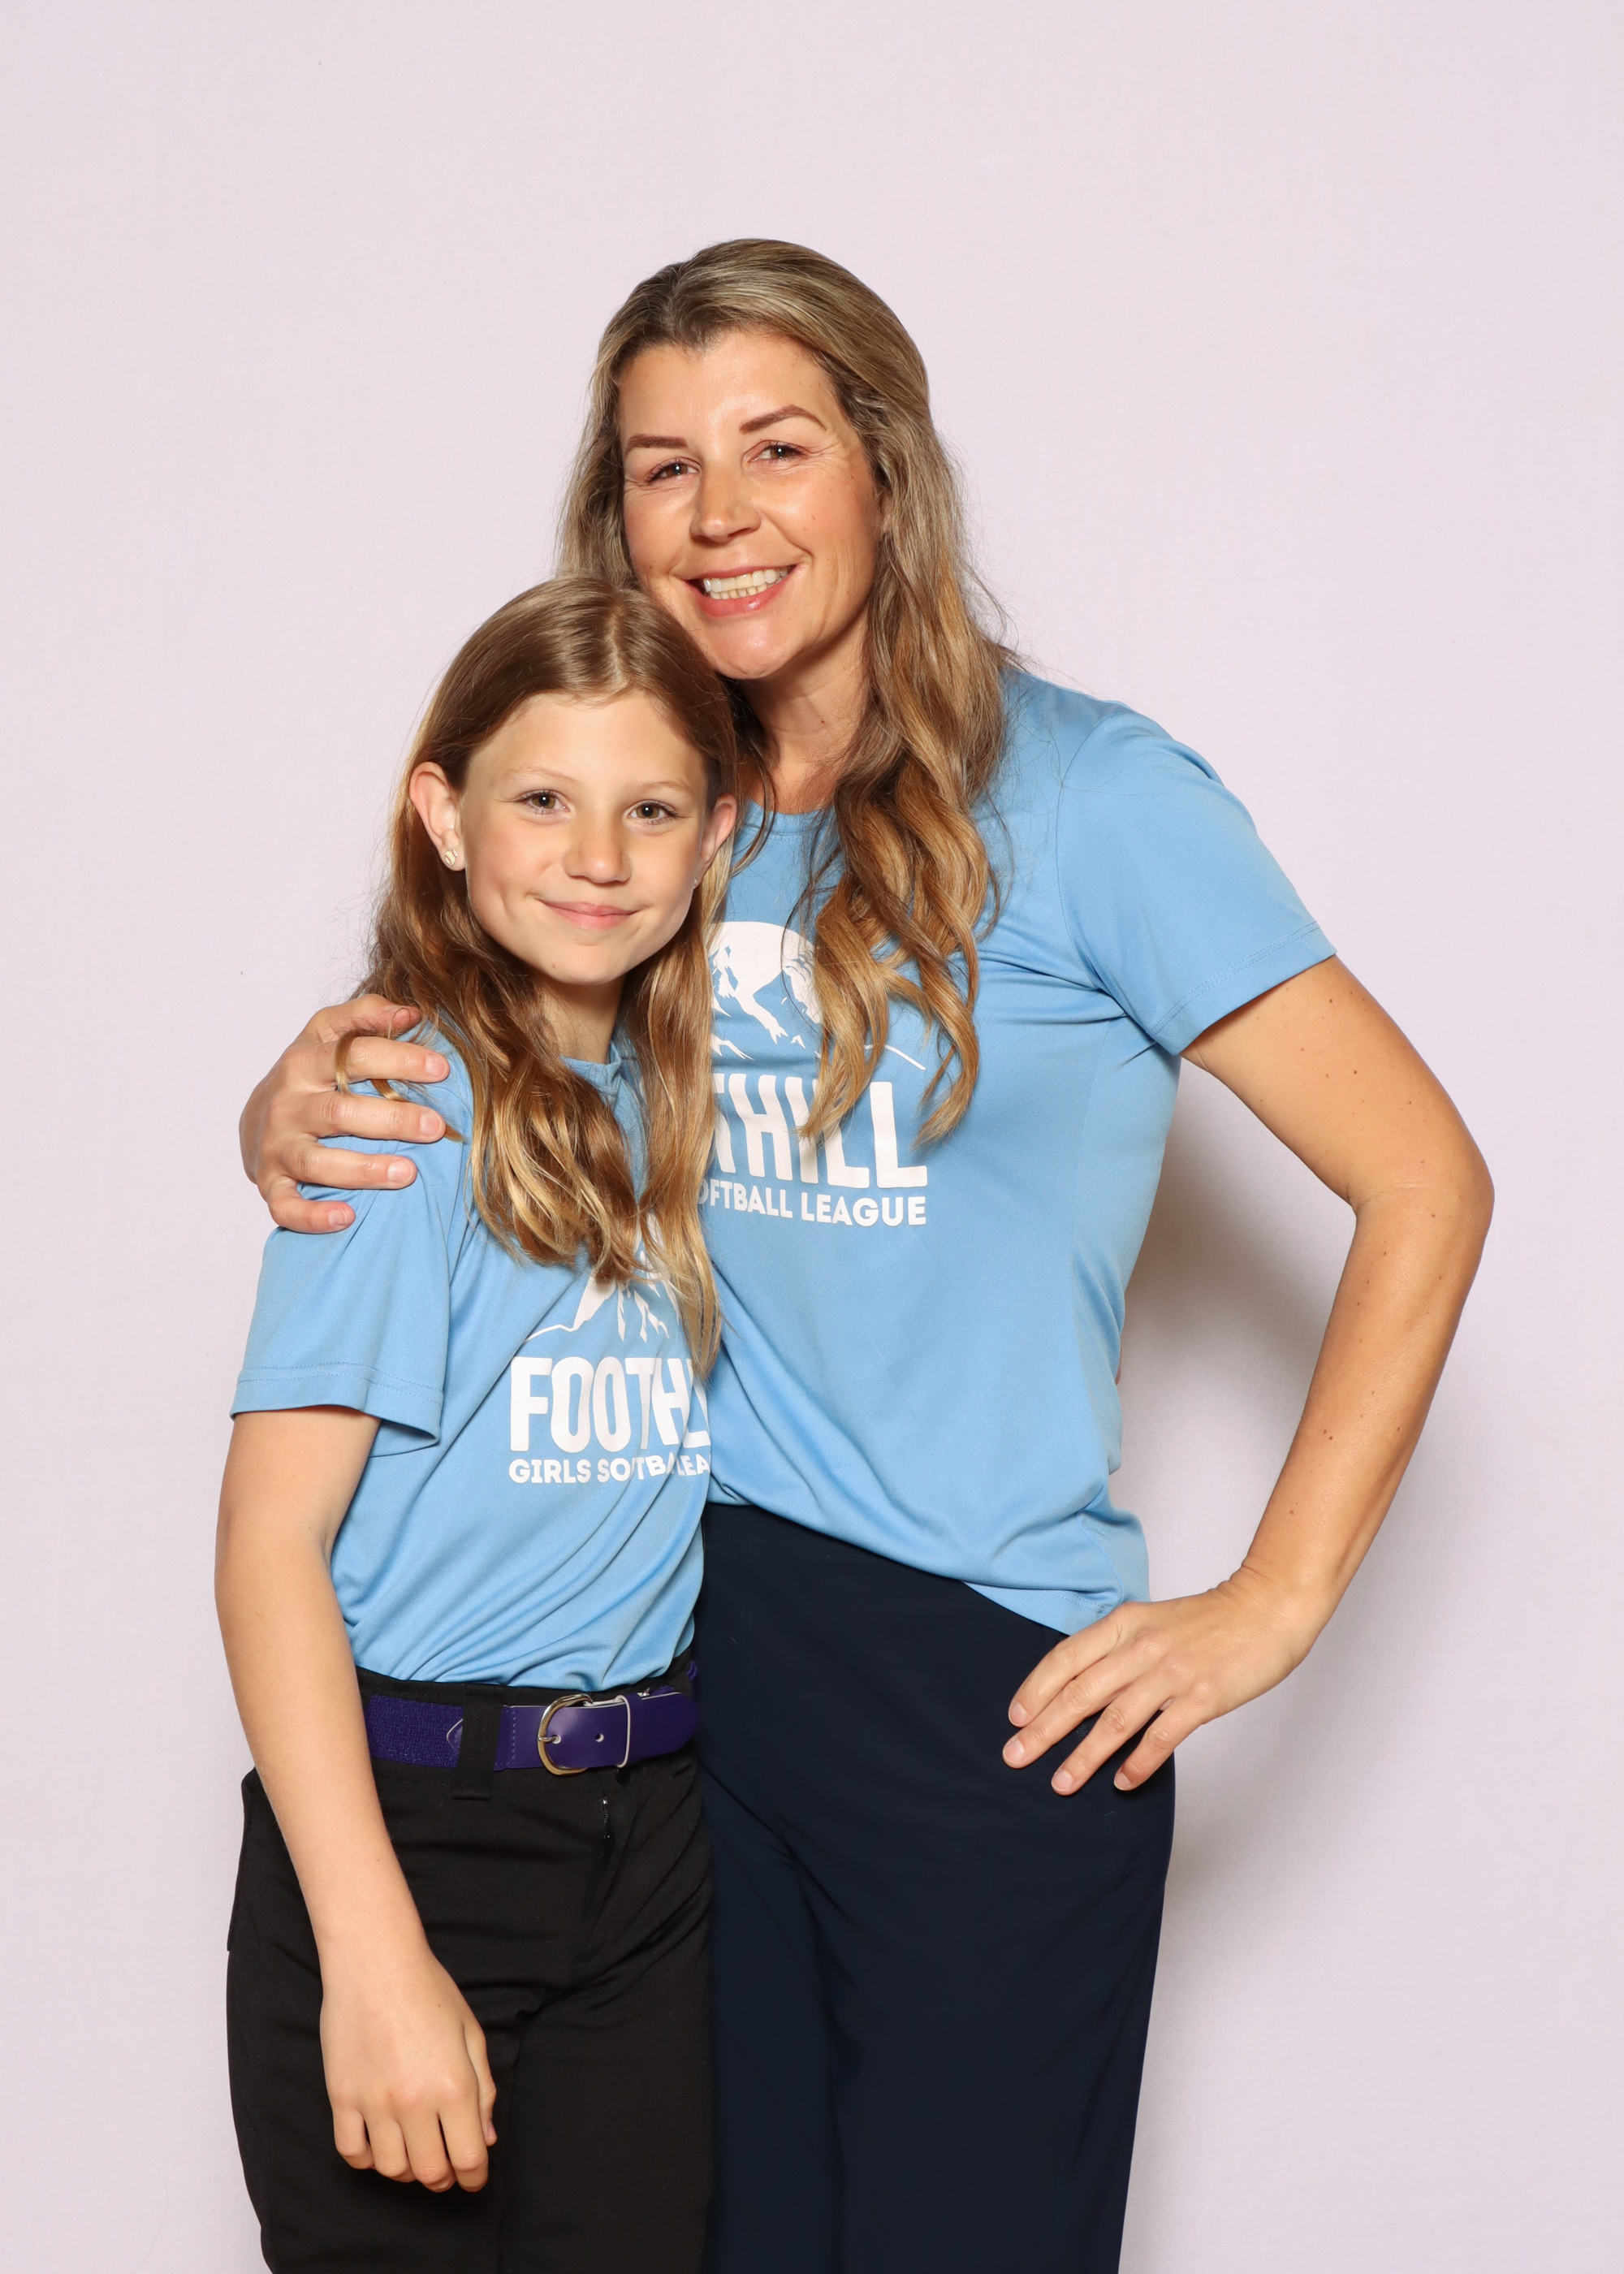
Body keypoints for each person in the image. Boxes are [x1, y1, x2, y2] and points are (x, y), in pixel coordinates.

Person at [237, 243, 1493, 2274]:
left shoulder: (1092, 795)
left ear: (884, 473)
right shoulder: (667, 819)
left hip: (983, 1689)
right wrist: (292, 1095)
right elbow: (494, 1063)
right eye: (662, 465)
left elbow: (1425, 1175)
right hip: (694, 1689)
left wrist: (1271, 1601)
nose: (717, 513)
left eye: (777, 447)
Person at [217, 575, 738, 2273]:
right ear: (442, 815)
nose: (598, 855)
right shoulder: (398, 1111)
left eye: (650, 808)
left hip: (649, 1845)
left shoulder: (694, 1096)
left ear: (717, 834)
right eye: (542, 799)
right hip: (410, 1832)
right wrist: (372, 1957)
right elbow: (270, 1543)